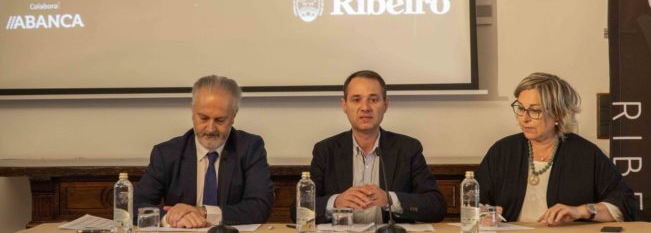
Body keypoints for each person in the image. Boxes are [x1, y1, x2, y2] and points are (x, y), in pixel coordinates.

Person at [475, 72, 638, 225]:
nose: (524, 118)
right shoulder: (503, 151)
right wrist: (484, 214)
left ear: (559, 114)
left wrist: (582, 211)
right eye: (521, 108)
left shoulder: (585, 154)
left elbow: (625, 203)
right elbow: (475, 202)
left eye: (534, 110)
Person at [291, 70, 447, 224]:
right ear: (344, 105)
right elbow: (296, 210)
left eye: (373, 100)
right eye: (356, 99)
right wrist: (336, 202)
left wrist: (389, 199)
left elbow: (436, 206)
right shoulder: (325, 150)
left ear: (385, 105)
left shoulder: (407, 148)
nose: (365, 107)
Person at [134, 75, 274, 228]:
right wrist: (170, 218)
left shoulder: (249, 148)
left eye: (220, 120)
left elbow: (260, 207)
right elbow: (135, 205)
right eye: (203, 118)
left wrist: (203, 212)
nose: (210, 128)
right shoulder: (167, 153)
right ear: (193, 112)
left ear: (233, 115)